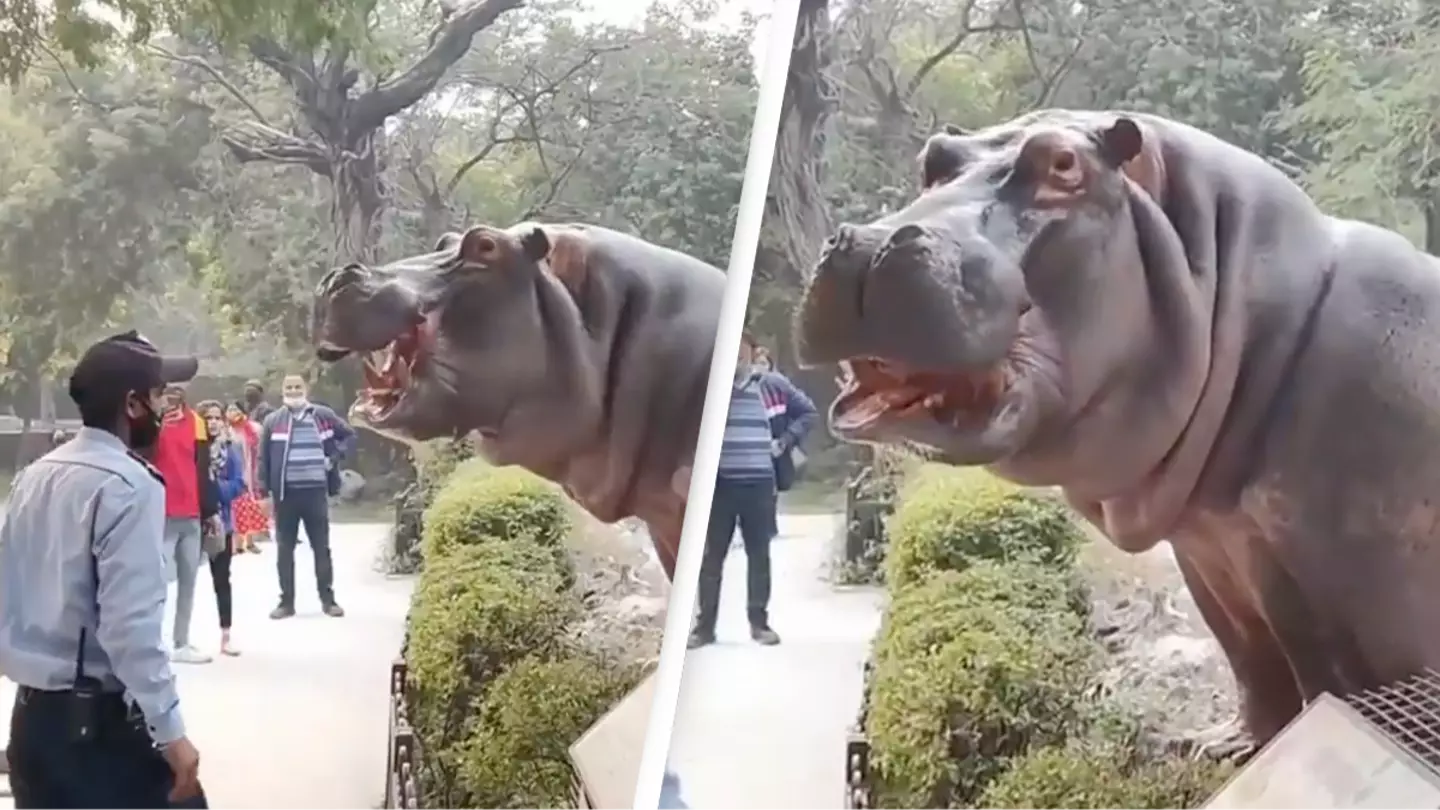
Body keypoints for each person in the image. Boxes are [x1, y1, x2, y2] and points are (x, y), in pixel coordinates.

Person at [0, 330, 204, 807]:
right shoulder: (130, 486)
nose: (165, 408)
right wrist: (171, 732)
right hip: (98, 735)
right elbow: (129, 628)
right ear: (133, 404)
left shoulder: (35, 476)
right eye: (158, 396)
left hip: (32, 725)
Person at [689, 332, 803, 649]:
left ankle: (759, 623)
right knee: (712, 557)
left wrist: (785, 441)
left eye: (743, 350)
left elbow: (807, 412)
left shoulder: (770, 384)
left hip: (759, 484)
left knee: (759, 555)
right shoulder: (710, 387)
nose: (737, 356)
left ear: (753, 353)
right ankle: (704, 627)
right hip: (721, 485)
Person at [258, 374, 356, 619]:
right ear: (282, 391)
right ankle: (286, 603)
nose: (293, 390)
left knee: (321, 548)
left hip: (315, 492)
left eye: (297, 387)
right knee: (284, 549)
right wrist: (264, 493)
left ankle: (328, 600)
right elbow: (264, 459)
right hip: (286, 494)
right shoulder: (273, 421)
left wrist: (333, 458)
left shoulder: (322, 415)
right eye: (288, 387)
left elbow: (348, 435)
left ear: (306, 389)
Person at [154, 385, 218, 665]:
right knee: (157, 583)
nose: (172, 400)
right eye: (167, 394)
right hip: (161, 513)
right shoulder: (150, 423)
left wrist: (209, 510)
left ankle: (181, 642)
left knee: (189, 580)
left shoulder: (197, 422)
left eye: (176, 395)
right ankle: (154, 642)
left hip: (190, 512)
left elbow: (202, 466)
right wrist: (156, 427)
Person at [197, 401, 246, 657]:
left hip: (221, 520)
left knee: (222, 580)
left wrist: (215, 490)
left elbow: (240, 483)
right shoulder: (193, 447)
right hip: (191, 519)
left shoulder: (230, 448)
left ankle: (226, 636)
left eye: (217, 417)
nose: (213, 422)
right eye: (208, 417)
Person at [751, 342, 818, 497]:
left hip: (772, 469)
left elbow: (809, 414)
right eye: (755, 363)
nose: (759, 369)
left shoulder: (778, 385)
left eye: (763, 363)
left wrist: (784, 441)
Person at [225, 401, 268, 554]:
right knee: (236, 509)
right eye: (229, 409)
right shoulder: (226, 430)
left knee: (250, 508)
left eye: (235, 408)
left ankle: (250, 542)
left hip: (251, 472)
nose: (232, 411)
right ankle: (237, 545)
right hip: (233, 474)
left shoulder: (253, 428)